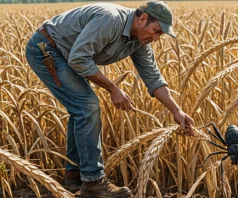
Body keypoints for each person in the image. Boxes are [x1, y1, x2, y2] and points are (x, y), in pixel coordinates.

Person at [25, 1, 194, 197]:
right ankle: (93, 182)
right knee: (87, 106)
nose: (156, 39)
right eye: (156, 31)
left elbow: (154, 79)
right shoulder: (110, 20)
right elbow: (79, 58)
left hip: (67, 54)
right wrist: (113, 89)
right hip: (47, 48)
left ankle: (74, 176)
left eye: (160, 35)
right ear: (143, 19)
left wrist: (176, 111)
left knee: (81, 109)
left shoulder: (138, 42)